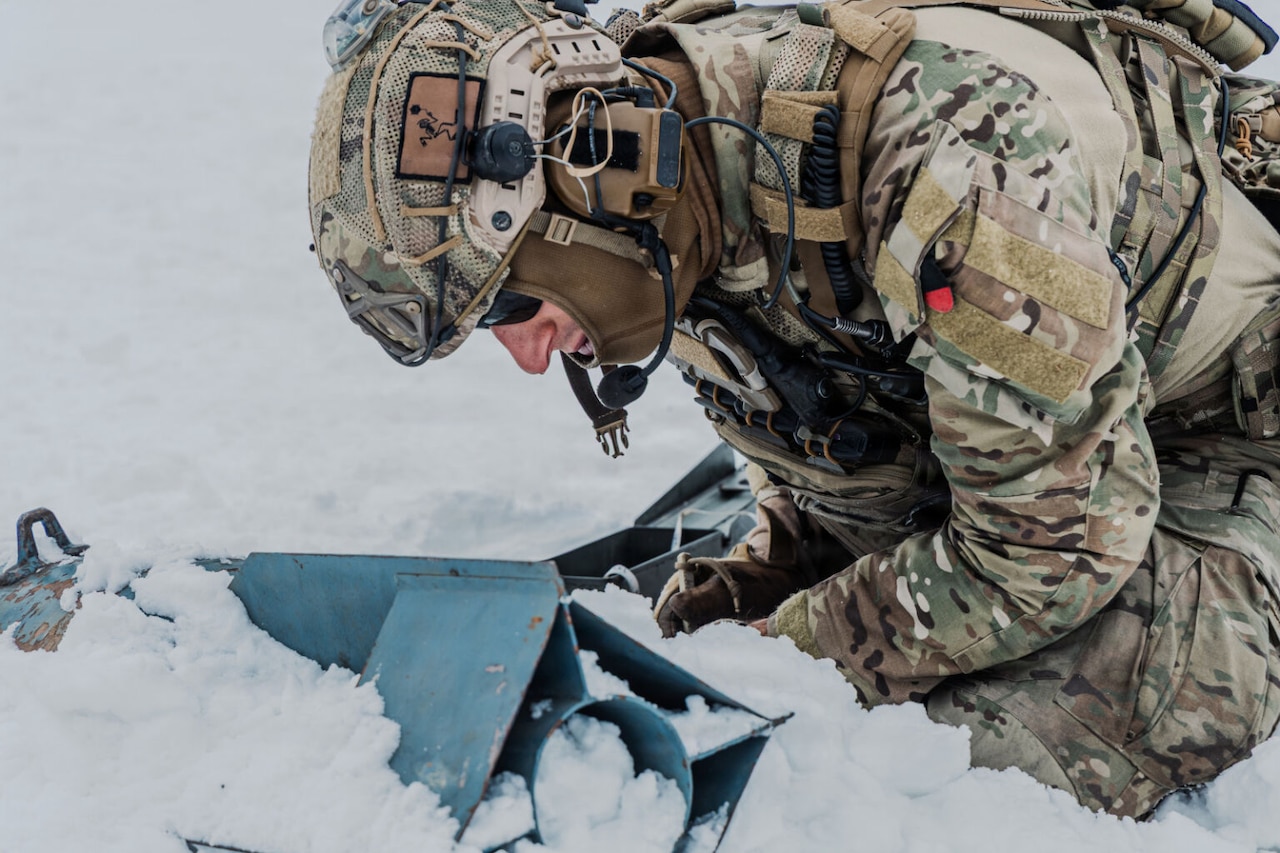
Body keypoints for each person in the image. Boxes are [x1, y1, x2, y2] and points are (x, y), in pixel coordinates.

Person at [307, 0, 1280, 818]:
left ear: (574, 166)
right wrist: (750, 599)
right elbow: (839, 446)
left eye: (512, 305)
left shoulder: (955, 175)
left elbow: (1050, 552)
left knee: (913, 776)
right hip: (1072, 447)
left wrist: (790, 655)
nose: (526, 355)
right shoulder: (665, 202)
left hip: (1231, 427)